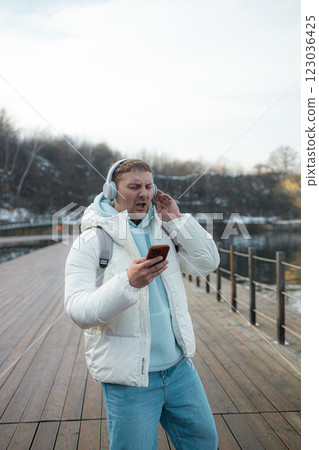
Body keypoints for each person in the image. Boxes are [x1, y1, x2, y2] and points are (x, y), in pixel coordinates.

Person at [64, 158, 220, 449]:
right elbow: (78, 310)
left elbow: (208, 263)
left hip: (180, 369)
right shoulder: (91, 241)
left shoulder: (164, 230)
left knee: (204, 443)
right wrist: (127, 282)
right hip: (130, 379)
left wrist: (177, 219)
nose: (144, 193)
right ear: (112, 190)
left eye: (148, 186)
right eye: (134, 186)